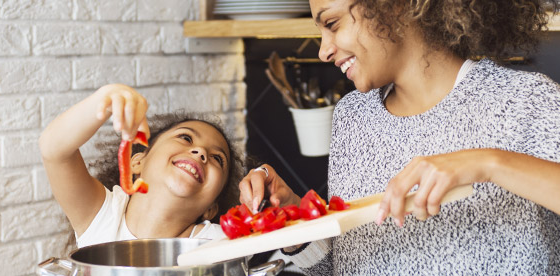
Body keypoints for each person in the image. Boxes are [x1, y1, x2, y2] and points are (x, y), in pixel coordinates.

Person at [238, 0, 560, 274]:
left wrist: (489, 163)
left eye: (332, 24)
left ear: (393, 7)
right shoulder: (353, 117)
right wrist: (298, 224)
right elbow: (351, 264)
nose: (323, 50)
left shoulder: (524, 100)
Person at [39, 84, 243, 248]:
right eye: (186, 138)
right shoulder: (104, 217)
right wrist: (107, 96)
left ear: (211, 208)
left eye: (218, 159)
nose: (201, 153)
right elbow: (54, 151)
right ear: (137, 162)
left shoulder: (219, 243)